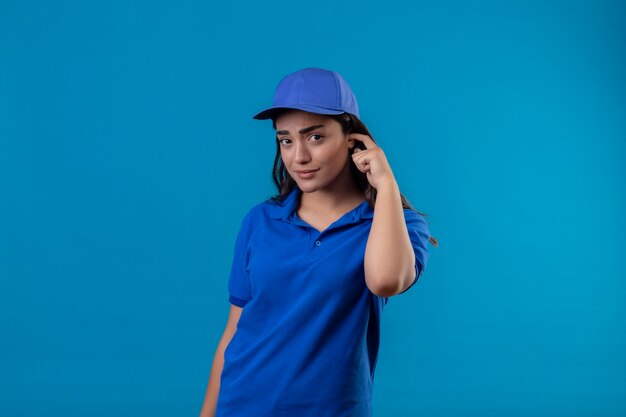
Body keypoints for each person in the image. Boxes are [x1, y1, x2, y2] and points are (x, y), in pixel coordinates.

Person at [199, 67, 438, 417]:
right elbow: (235, 329)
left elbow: (385, 281)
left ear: (352, 139)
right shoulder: (261, 220)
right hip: (243, 403)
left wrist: (386, 185)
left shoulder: (396, 225)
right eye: (286, 140)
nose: (299, 157)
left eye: (315, 137)